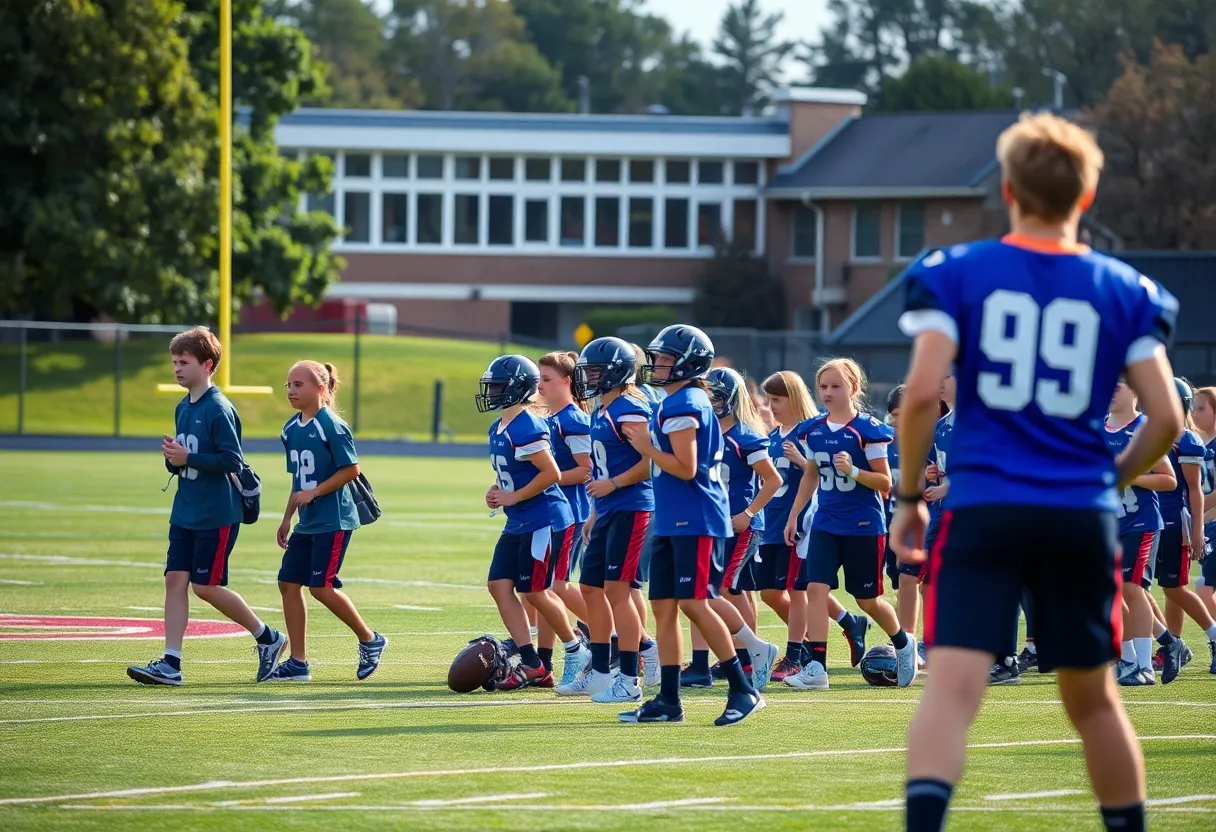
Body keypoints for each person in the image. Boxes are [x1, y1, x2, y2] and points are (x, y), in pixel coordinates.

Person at [891, 111, 1183, 832]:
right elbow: (1168, 418)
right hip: (1078, 510)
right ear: (1086, 198)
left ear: (1008, 188)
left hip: (984, 501)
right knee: (1093, 700)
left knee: (953, 689)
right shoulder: (1125, 288)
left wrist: (906, 496)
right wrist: (1110, 481)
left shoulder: (955, 273)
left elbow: (923, 393)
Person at [618, 325, 769, 725]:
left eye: (667, 359)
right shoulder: (677, 401)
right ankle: (669, 700)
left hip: (696, 517)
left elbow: (686, 468)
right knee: (664, 608)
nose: (659, 366)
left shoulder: (685, 402)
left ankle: (743, 688)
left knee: (695, 602)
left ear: (687, 364)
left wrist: (646, 448)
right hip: (674, 517)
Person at [127, 328, 286, 686]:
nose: (177, 368)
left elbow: (232, 460)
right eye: (174, 362)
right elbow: (187, 462)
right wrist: (174, 459)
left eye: (184, 362)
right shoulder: (183, 406)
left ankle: (268, 637)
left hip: (216, 513)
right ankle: (172, 663)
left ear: (207, 364)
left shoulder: (218, 408)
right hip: (186, 509)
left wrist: (189, 456)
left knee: (205, 587)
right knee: (174, 580)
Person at [783, 358, 914, 690]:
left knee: (867, 601)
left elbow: (885, 482)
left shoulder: (867, 429)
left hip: (863, 525)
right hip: (826, 522)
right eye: (823, 386)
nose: (827, 392)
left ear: (854, 388)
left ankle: (902, 642)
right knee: (815, 588)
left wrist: (853, 471)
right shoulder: (813, 429)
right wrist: (794, 514)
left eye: (835, 386)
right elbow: (811, 473)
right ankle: (816, 668)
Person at [263, 361, 386, 682]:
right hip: (307, 522)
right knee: (288, 583)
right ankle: (298, 663)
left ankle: (370, 640)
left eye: (298, 385)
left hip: (334, 520)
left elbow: (351, 470)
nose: (290, 390)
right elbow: (298, 480)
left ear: (320, 388)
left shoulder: (331, 425)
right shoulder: (290, 429)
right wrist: (287, 517)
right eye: (288, 384)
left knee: (321, 587)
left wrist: (315, 492)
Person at [477, 355, 593, 690]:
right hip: (520, 520)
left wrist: (513, 497)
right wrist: (498, 489)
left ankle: (575, 648)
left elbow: (552, 473)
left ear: (516, 388)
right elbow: (511, 472)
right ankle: (532, 663)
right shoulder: (498, 426)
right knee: (499, 585)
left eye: (497, 386)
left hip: (544, 518)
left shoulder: (527, 425)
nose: (492, 392)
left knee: (535, 590)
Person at [558, 337, 654, 702]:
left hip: (631, 506)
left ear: (617, 370)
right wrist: (595, 511)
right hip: (609, 509)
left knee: (618, 590)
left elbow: (650, 462)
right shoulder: (602, 408)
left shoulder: (629, 408)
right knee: (589, 588)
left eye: (595, 370)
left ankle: (629, 678)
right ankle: (601, 670)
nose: (589, 378)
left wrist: (612, 484)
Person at [760, 371, 869, 682]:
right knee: (770, 592)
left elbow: (820, 475)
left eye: (777, 400)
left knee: (800, 590)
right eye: (768, 399)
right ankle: (847, 622)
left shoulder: (810, 433)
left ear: (793, 398)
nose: (771, 406)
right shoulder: (773, 436)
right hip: (775, 521)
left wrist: (800, 462)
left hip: (805, 523)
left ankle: (797, 653)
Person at [683, 367, 783, 688]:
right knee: (708, 591)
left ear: (730, 399)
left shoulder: (745, 436)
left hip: (740, 525)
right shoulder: (702, 435)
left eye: (715, 397)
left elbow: (773, 480)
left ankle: (749, 656)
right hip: (710, 524)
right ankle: (710, 660)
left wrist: (749, 513)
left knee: (723, 589)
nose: (709, 403)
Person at [1104, 377, 1179, 685]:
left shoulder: (1143, 430)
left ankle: (1145, 665)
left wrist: (1130, 475)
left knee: (1133, 589)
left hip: (1140, 521)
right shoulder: (1097, 428)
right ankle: (1129, 659)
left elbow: (1168, 480)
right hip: (1107, 524)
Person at [534, 351, 594, 684]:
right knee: (543, 588)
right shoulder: (549, 418)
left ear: (567, 381)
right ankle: (544, 660)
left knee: (555, 585)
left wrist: (545, 478)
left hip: (571, 514)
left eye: (547, 379)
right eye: (539, 379)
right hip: (550, 513)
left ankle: (613, 640)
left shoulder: (572, 419)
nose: (540, 386)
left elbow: (586, 470)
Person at [1154, 378, 1216, 674]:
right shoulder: (1150, 433)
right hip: (1149, 518)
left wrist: (1198, 531)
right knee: (1154, 589)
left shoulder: (1186, 439)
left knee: (1174, 588)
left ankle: (1211, 637)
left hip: (1174, 519)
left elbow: (1194, 489)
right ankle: (1169, 644)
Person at [1193, 386, 1216, 622]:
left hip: (1212, 525)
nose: (1194, 413)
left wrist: (1196, 512)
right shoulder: (1198, 444)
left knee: (1204, 591)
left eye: (1201, 408)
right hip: (1207, 527)